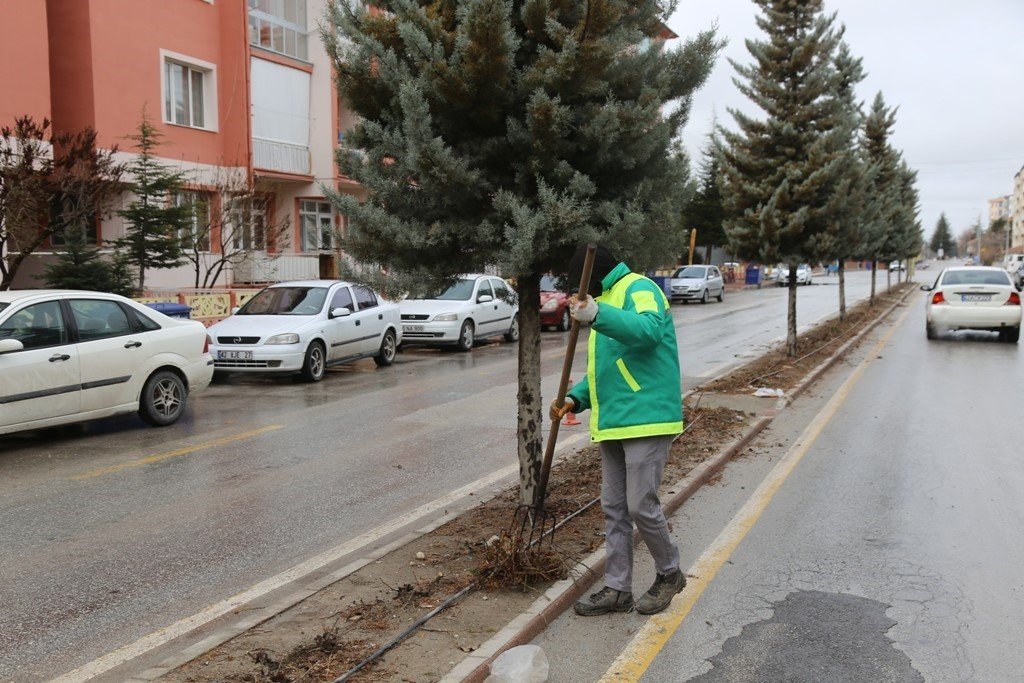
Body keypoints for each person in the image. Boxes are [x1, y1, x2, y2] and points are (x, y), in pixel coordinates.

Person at [551, 244, 686, 616]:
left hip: (647, 416)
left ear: (595, 272)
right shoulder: (605, 300)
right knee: (614, 508)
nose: (581, 291)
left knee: (640, 504)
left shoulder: (638, 288)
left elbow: (648, 332)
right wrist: (575, 399)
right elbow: (605, 371)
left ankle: (670, 573)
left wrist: (597, 314)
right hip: (613, 420)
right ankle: (617, 588)